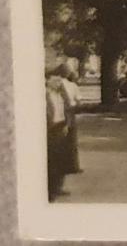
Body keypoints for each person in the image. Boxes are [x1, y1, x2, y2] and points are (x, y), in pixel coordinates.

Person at [45, 68, 71, 199]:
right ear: (47, 80)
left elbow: (67, 109)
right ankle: (50, 191)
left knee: (61, 160)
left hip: (61, 128)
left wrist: (66, 124)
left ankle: (58, 187)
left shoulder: (60, 94)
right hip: (50, 130)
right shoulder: (44, 95)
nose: (58, 83)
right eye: (55, 80)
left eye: (60, 81)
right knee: (51, 161)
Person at [58, 65, 82, 174]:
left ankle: (61, 165)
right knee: (72, 139)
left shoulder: (56, 85)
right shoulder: (72, 86)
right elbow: (78, 101)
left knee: (60, 139)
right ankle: (73, 166)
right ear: (69, 74)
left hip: (58, 113)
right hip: (70, 113)